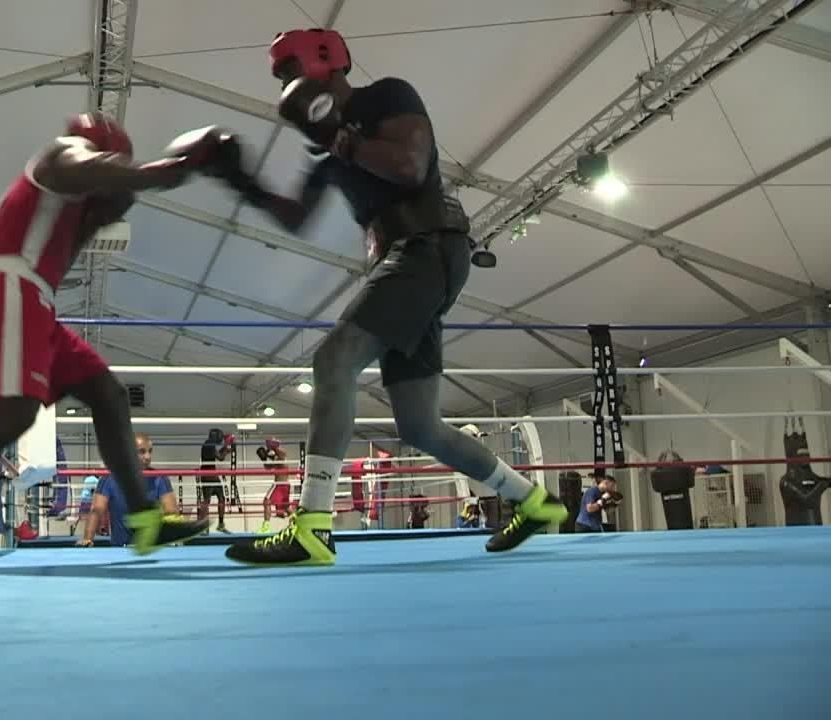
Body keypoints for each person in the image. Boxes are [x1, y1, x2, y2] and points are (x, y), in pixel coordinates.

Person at [184, 28, 568, 565]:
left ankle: (313, 525)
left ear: (325, 60)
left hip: (425, 247)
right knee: (418, 425)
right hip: (412, 261)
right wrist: (238, 180)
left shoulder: (387, 97)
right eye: (283, 79)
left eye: (292, 71)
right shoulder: (327, 156)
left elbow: (410, 165)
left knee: (333, 361)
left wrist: (342, 135)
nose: (289, 85)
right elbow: (295, 216)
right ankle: (534, 502)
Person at [0, 112, 210, 572]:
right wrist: (171, 170)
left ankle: (146, 519)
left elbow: (100, 210)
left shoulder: (68, 211)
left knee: (108, 394)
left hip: (36, 303)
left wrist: (120, 198)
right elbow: (102, 172)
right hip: (10, 287)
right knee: (15, 413)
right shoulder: (58, 156)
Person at [78, 433, 179, 547]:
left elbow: (171, 510)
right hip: (120, 549)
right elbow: (96, 510)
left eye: (150, 451)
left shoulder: (159, 478)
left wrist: (174, 538)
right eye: (141, 452)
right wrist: (88, 538)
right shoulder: (109, 478)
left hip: (150, 548)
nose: (148, 457)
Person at [198, 428, 234, 533]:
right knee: (207, 501)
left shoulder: (208, 444)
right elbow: (221, 457)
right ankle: (203, 527)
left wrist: (225, 447)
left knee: (221, 498)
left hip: (212, 475)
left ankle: (220, 525)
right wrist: (227, 448)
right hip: (208, 475)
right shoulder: (209, 444)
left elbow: (217, 454)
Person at [258, 438, 293, 533]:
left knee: (266, 501)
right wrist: (263, 459)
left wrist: (274, 447)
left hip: (279, 484)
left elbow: (282, 455)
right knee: (285, 507)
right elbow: (268, 468)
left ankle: (266, 527)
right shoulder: (277, 459)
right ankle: (297, 522)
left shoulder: (282, 455)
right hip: (285, 485)